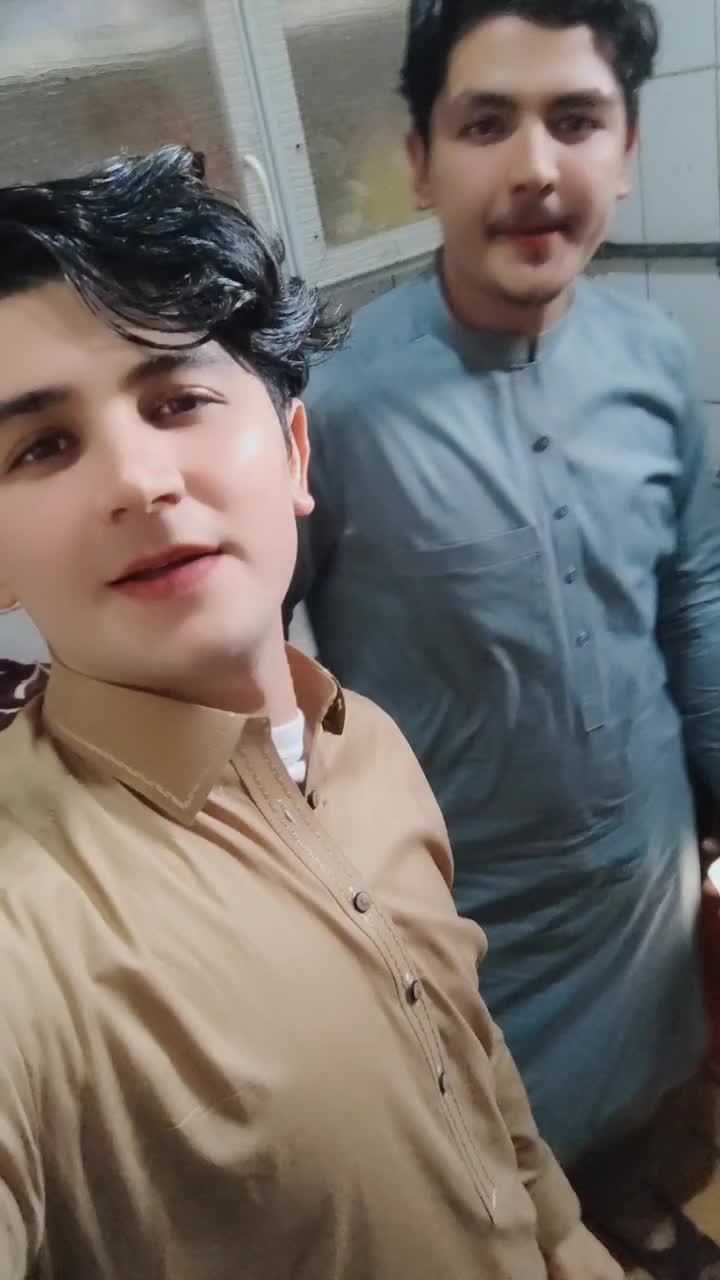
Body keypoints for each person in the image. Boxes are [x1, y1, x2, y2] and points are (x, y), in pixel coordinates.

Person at [0, 146, 621, 1279]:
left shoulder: (364, 742)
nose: (139, 480)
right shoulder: (26, 925)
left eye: (178, 398)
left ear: (293, 455)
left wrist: (571, 1248)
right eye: (43, 446)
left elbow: (478, 1077)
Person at [287, 0, 720, 1265]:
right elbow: (250, 657)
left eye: (576, 120)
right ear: (421, 163)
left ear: (625, 154)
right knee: (485, 1171)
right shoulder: (336, 407)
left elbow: (694, 598)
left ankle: (638, 1209)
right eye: (487, 124)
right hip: (464, 915)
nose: (536, 166)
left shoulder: (655, 362)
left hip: (641, 877)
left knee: (656, 1093)